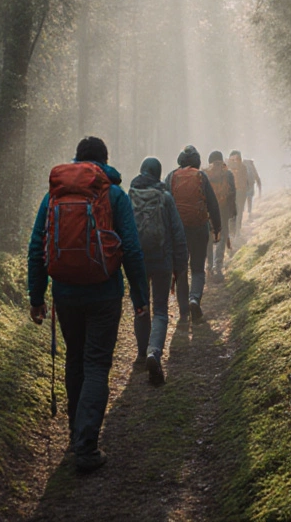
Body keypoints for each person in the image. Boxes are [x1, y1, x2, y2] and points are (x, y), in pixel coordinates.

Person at [28, 136, 148, 473]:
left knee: (76, 359)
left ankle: (75, 434)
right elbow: (132, 248)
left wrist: (36, 297)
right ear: (104, 162)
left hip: (65, 294)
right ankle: (86, 445)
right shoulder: (114, 194)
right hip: (104, 293)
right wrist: (140, 297)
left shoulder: (54, 196)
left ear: (77, 160)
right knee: (96, 364)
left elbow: (37, 246)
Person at [129, 157, 188, 384]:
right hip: (163, 260)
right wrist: (180, 267)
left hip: (137, 261)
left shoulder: (130, 196)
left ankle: (141, 355)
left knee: (141, 307)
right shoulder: (165, 197)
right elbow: (177, 233)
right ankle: (154, 352)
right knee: (161, 310)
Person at [165, 145, 221, 324]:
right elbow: (212, 204)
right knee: (197, 268)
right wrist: (217, 228)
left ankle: (183, 311)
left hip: (177, 230)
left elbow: (164, 204)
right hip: (199, 228)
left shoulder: (171, 177)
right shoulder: (201, 176)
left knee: (180, 269)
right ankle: (194, 299)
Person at [203, 150, 237, 283]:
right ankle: (218, 267)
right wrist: (233, 212)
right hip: (222, 211)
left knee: (209, 239)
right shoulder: (228, 174)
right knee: (222, 238)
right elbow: (232, 193)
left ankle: (209, 267)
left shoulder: (205, 174)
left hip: (208, 213)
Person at [227, 151, 249, 240]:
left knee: (239, 212)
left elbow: (245, 181)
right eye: (233, 159)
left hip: (240, 193)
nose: (235, 161)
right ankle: (232, 233)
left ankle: (237, 232)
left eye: (237, 159)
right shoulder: (228, 169)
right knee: (232, 213)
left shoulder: (243, 168)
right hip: (232, 193)